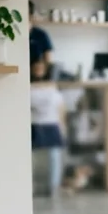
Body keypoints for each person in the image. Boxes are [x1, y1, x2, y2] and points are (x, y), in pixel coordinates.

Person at [30, 59, 66, 196]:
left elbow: (61, 108)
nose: (38, 70)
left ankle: (54, 187)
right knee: (30, 158)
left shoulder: (53, 87)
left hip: (51, 123)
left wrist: (62, 126)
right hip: (35, 124)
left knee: (54, 157)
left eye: (41, 67)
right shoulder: (28, 86)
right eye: (35, 67)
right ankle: (30, 185)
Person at [29, 0, 54, 80]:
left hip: (37, 78)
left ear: (31, 15)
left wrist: (42, 67)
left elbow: (48, 61)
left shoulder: (41, 35)